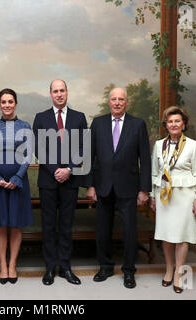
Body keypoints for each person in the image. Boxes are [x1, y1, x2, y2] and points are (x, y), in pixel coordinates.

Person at [86, 87, 151, 289]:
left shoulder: (138, 124)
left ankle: (129, 271)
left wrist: (144, 189)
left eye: (121, 99)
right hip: (103, 186)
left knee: (130, 231)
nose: (117, 102)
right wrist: (90, 185)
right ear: (109, 102)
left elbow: (145, 160)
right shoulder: (97, 123)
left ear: (126, 102)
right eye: (113, 99)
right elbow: (89, 157)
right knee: (103, 231)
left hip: (129, 188)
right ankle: (105, 267)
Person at [32, 79, 88, 286]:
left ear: (67, 92)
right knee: (48, 226)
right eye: (55, 91)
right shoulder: (41, 118)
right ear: (50, 94)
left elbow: (84, 147)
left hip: (70, 181)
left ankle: (65, 267)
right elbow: (38, 148)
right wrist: (55, 169)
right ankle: (49, 268)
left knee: (66, 226)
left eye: (62, 90)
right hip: (48, 180)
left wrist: (68, 170)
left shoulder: (79, 118)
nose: (59, 94)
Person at [149, 106, 196, 294]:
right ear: (166, 124)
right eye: (170, 121)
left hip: (184, 195)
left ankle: (180, 274)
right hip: (164, 196)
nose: (173, 124)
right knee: (166, 235)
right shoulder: (159, 145)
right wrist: (152, 196)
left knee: (181, 236)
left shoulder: (192, 145)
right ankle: (169, 269)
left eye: (177, 121)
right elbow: (155, 172)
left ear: (184, 124)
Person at [0, 88, 34, 285]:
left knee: (16, 225)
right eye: (3, 102)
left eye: (10, 101)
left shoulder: (25, 126)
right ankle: (2, 266)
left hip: (18, 183)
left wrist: (17, 177)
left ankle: (12, 265)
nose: (7, 105)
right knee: (1, 225)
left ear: (15, 104)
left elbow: (28, 155)